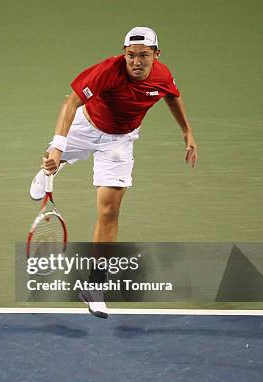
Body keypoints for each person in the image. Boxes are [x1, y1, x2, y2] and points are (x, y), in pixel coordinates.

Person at [29, 27, 198, 318]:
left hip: (119, 142)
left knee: (109, 212)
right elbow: (71, 101)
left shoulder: (163, 75)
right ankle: (54, 166)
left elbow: (171, 95)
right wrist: (59, 147)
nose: (136, 62)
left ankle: (94, 285)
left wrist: (187, 132)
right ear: (124, 53)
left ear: (156, 55)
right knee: (52, 157)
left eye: (144, 55)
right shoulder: (107, 71)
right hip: (86, 126)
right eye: (131, 55)